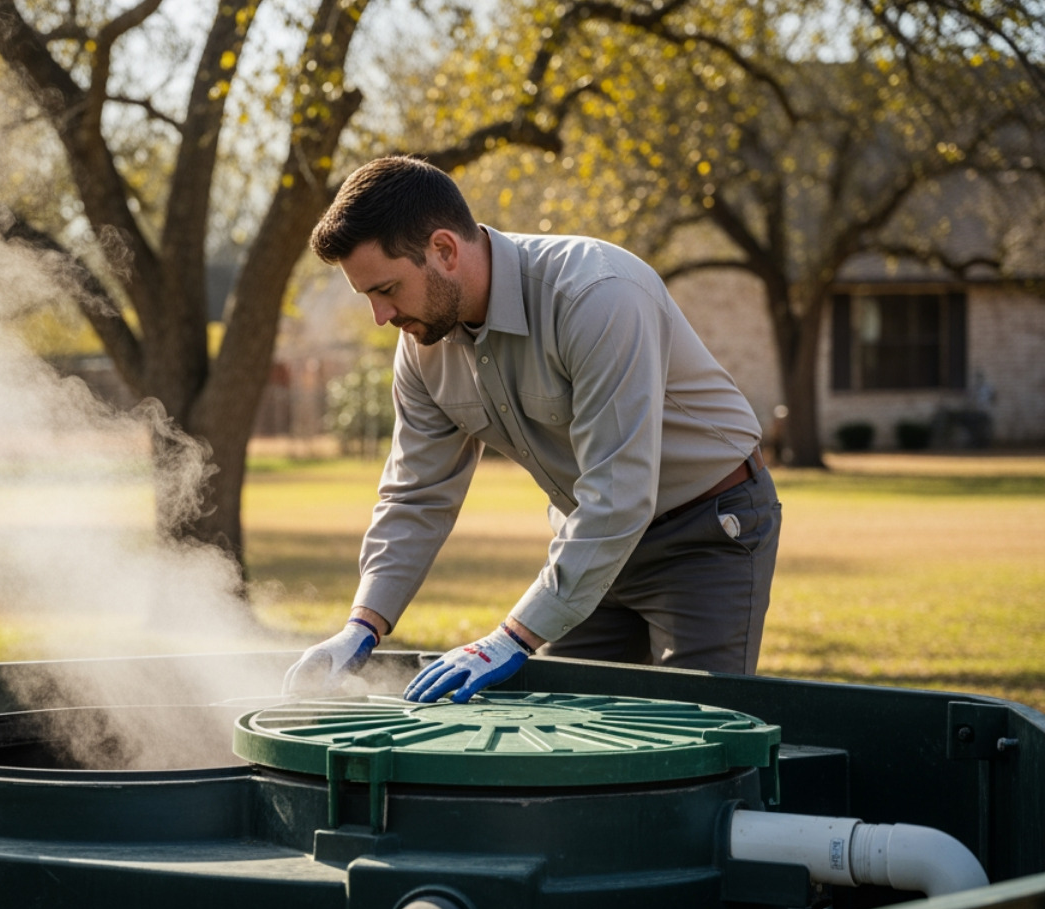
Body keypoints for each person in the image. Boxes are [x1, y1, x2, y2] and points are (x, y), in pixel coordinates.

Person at [284, 156, 780, 703]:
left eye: (387, 289)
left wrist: (512, 636)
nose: (381, 316)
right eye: (369, 297)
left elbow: (619, 493)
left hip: (706, 534)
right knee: (567, 737)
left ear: (444, 251)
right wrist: (363, 625)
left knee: (697, 735)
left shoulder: (597, 295)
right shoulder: (422, 345)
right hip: (587, 543)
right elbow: (416, 495)